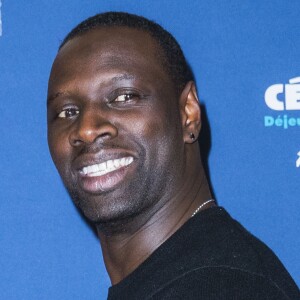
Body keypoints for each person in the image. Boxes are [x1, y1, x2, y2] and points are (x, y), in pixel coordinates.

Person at [47, 12, 299, 299]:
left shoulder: (225, 287)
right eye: (67, 111)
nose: (87, 129)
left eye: (124, 97)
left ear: (188, 113)